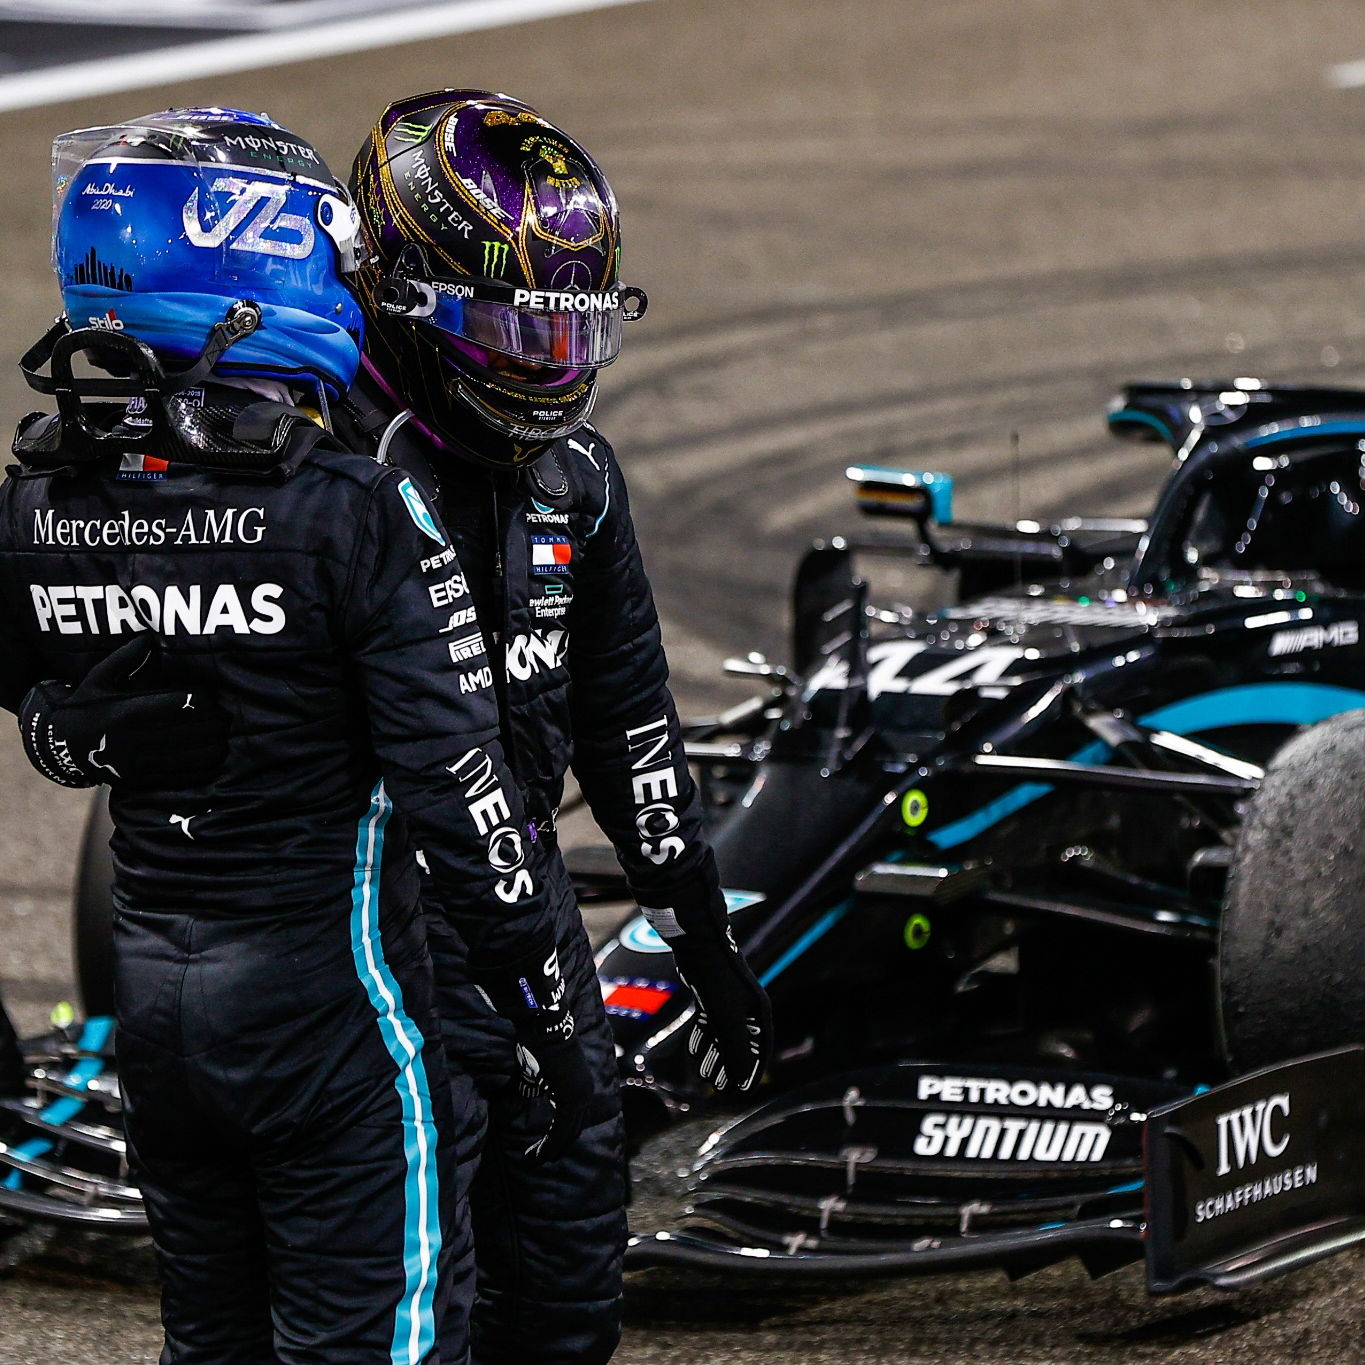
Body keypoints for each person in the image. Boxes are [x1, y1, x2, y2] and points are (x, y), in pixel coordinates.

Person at [0, 106, 595, 1364]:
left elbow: (56, 704)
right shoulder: (357, 508)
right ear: (269, 264)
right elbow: (469, 806)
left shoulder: (37, 501)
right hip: (338, 1032)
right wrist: (552, 1029)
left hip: (154, 1032)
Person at [343, 90, 773, 1365]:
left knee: (574, 1305)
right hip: (372, 970)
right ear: (402, 293)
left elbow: (634, 730)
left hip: (532, 952)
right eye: (506, 323)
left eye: (567, 324)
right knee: (427, 1320)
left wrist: (702, 932)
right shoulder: (328, 489)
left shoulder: (577, 483)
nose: (544, 360)